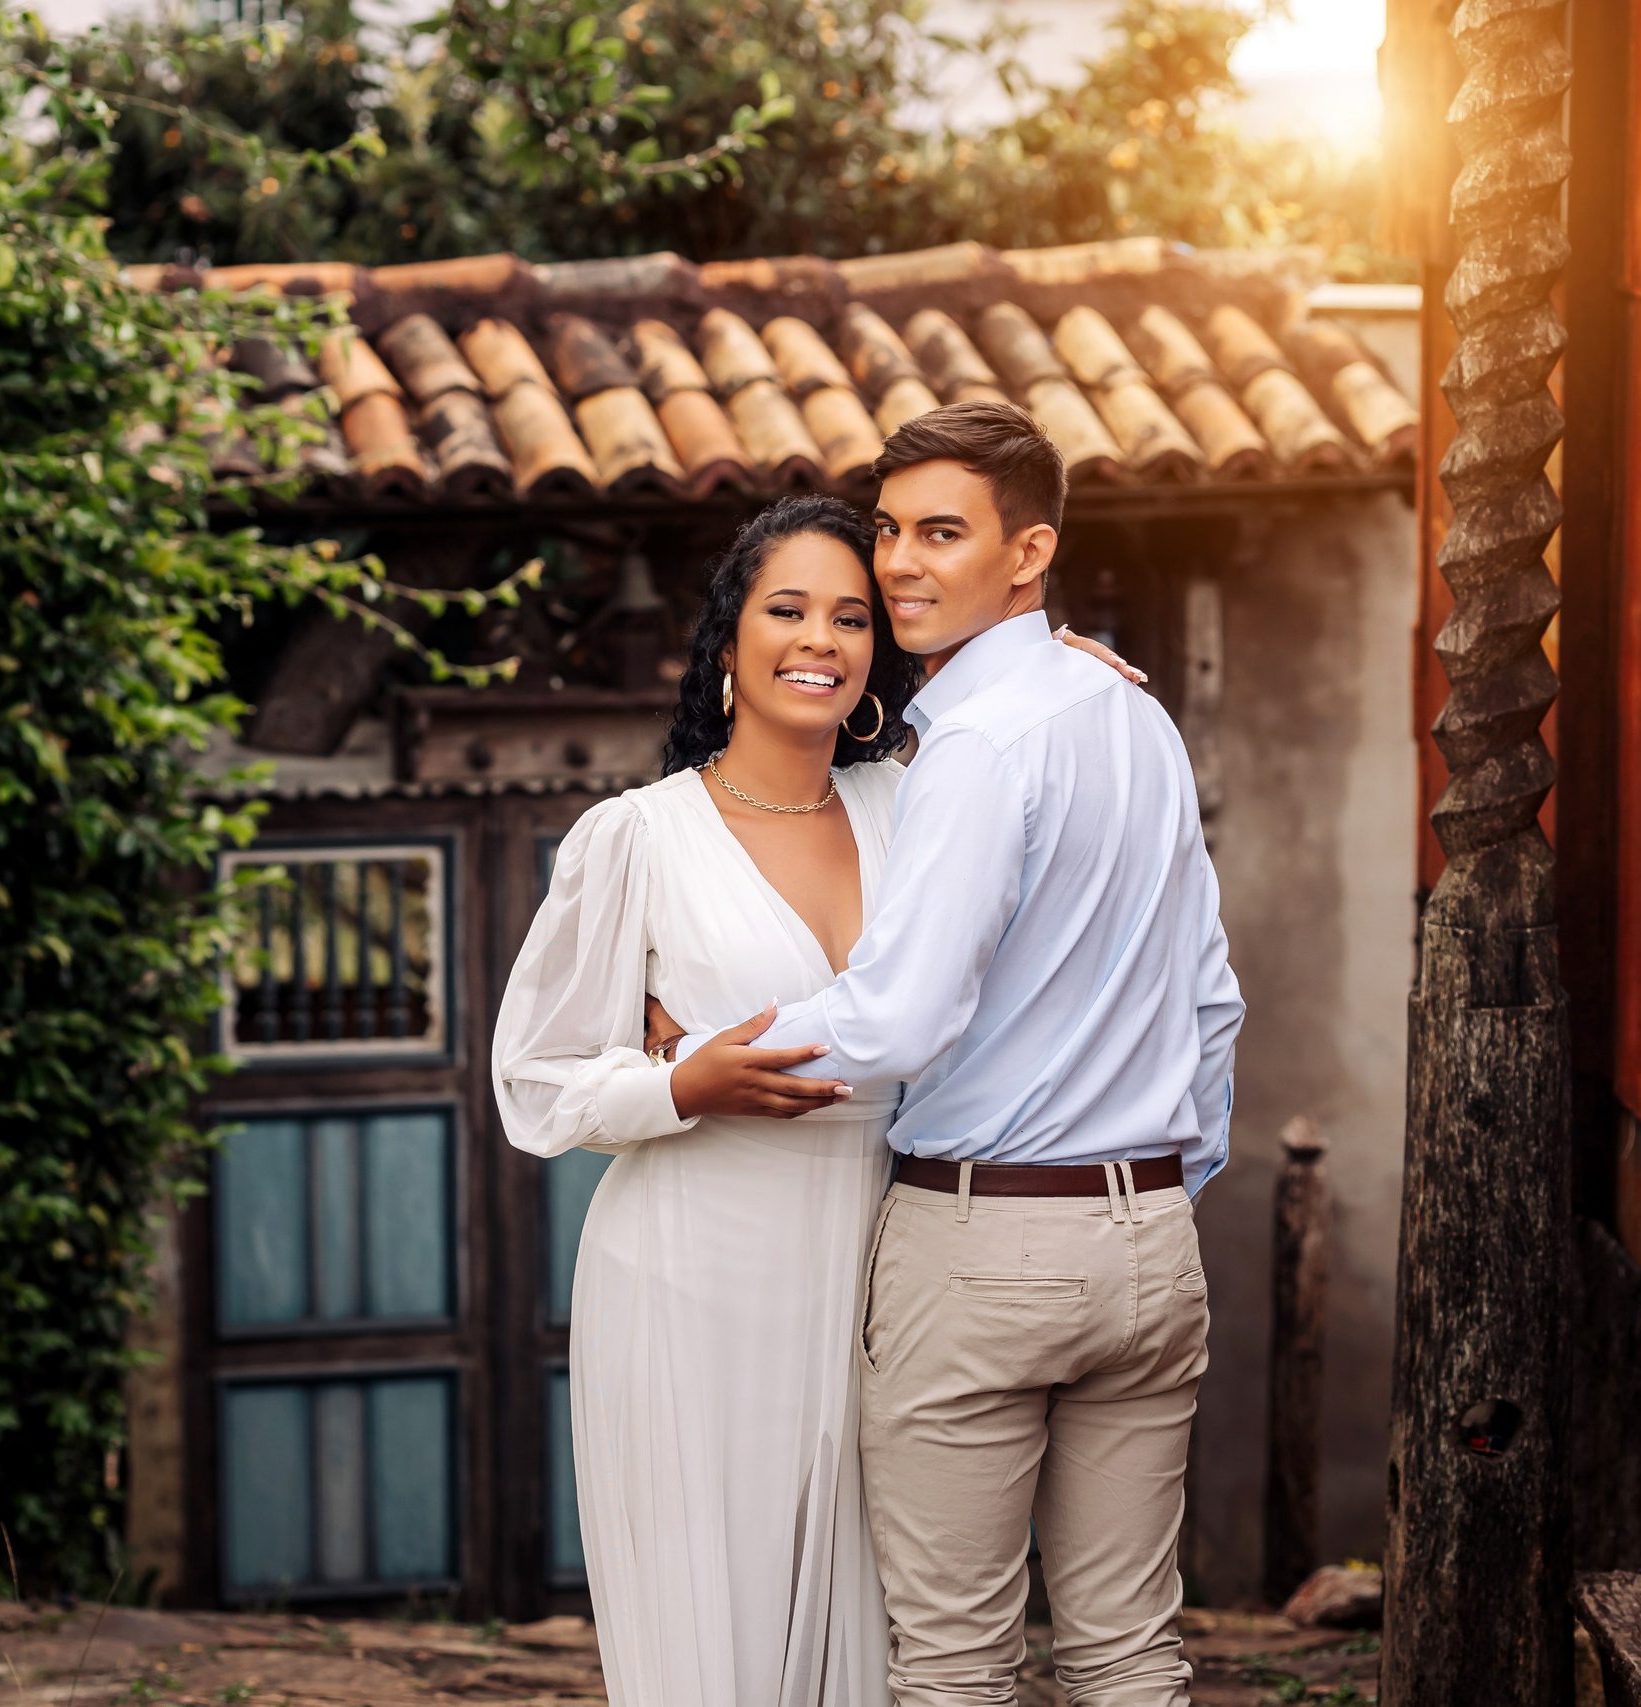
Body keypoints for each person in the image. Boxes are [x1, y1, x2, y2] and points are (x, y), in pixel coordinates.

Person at [492, 493, 1137, 1707]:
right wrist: (684, 1083)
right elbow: (535, 1081)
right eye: (786, 610)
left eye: (850, 616)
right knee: (712, 1619)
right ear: (728, 641)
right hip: (692, 1267)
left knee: (889, 1615)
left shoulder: (922, 802)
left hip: (892, 1264)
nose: (820, 640)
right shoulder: (635, 839)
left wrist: (1062, 673)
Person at [663, 402, 1243, 1707]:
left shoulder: (980, 743)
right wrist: (1160, 1187)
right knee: (1130, 1651)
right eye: (888, 532)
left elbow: (900, 1015)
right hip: (1150, 1234)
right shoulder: (1130, 711)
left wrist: (696, 1050)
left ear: (1028, 550)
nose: (902, 563)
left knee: (956, 1663)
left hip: (984, 1242)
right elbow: (1214, 998)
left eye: (942, 532)